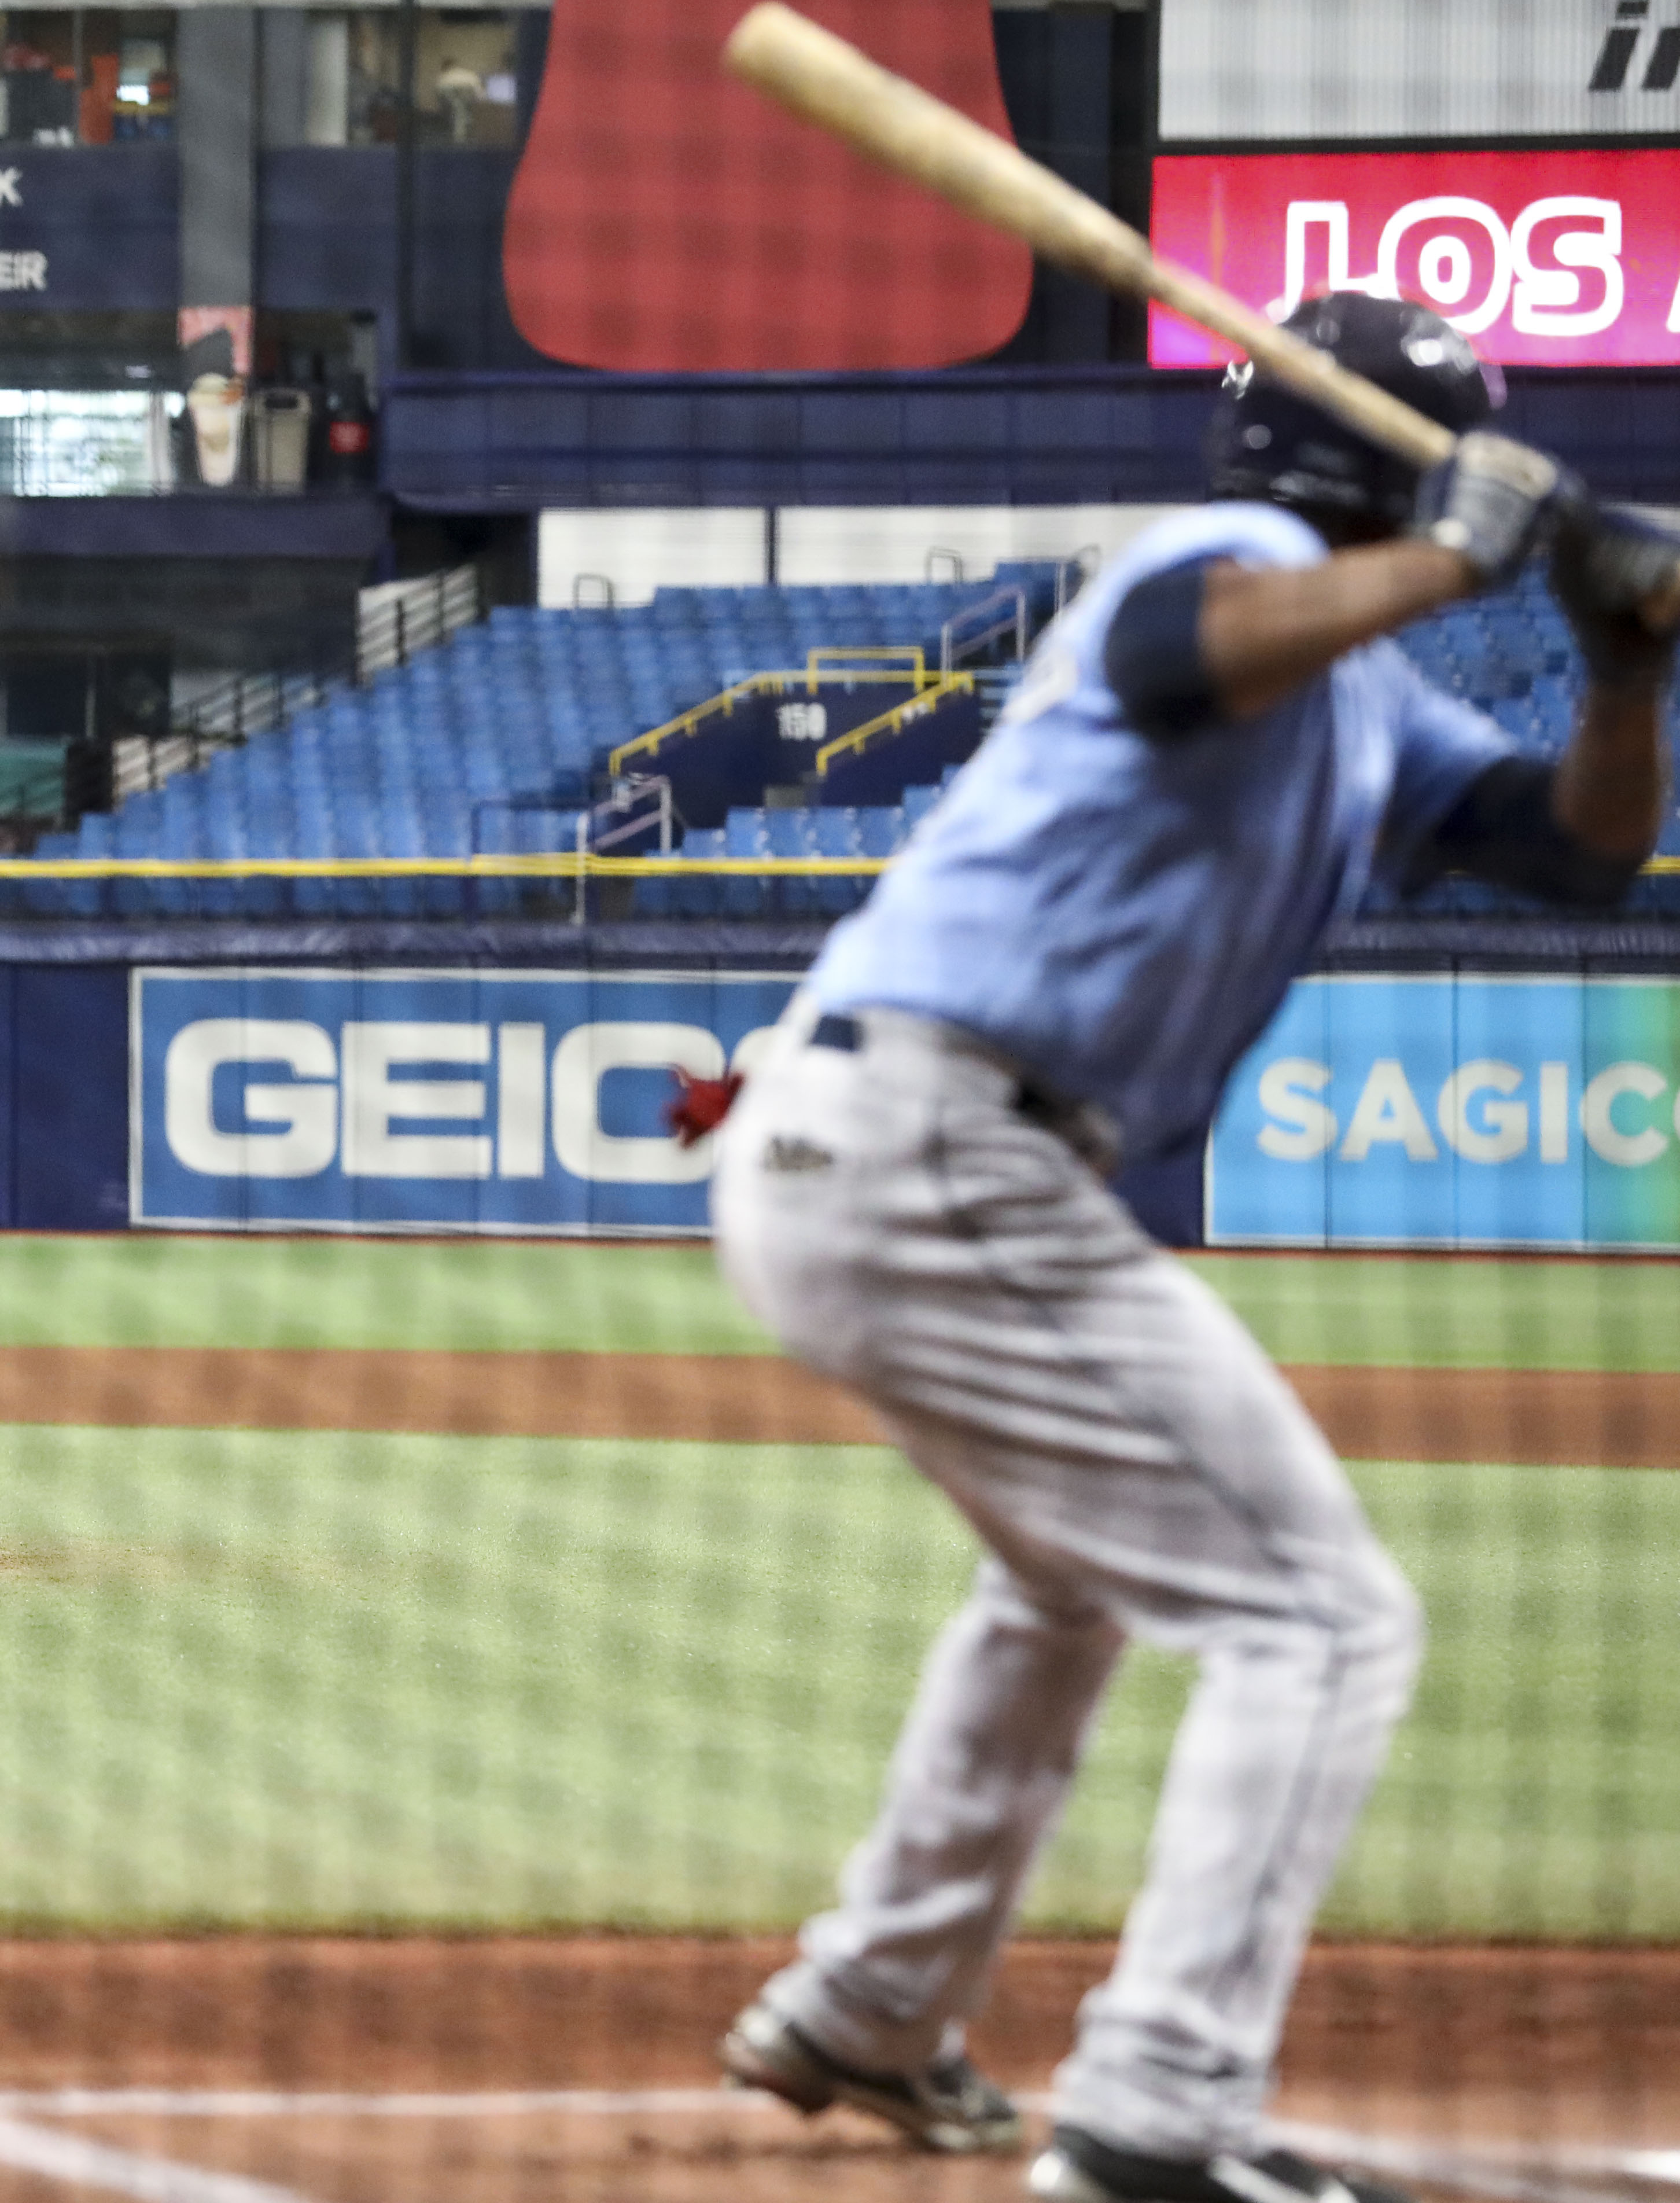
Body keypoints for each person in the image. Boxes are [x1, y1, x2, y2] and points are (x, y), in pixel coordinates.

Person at [699, 293, 1668, 2203]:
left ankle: (872, 2011)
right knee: (1319, 1621)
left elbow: (1576, 859)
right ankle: (1159, 2111)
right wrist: (1459, 549)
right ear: (1408, 469)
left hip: (909, 1153)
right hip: (934, 1142)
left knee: (1066, 1588)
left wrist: (1625, 670)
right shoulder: (1223, 562)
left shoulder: (1374, 693)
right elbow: (1180, 655)